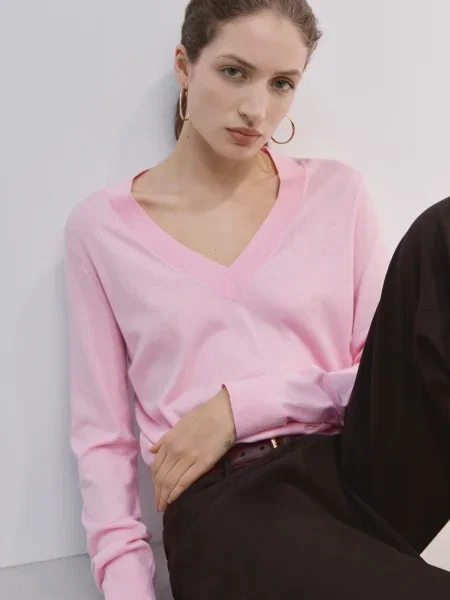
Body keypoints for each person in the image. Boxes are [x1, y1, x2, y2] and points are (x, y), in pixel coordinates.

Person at [63, 0, 450, 598]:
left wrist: (239, 407)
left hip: (358, 463)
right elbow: (103, 439)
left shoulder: (338, 192)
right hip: (233, 500)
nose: (256, 108)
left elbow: (381, 372)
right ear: (185, 66)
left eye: (281, 84)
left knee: (443, 234)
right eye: (234, 72)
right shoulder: (102, 230)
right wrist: (128, 589)